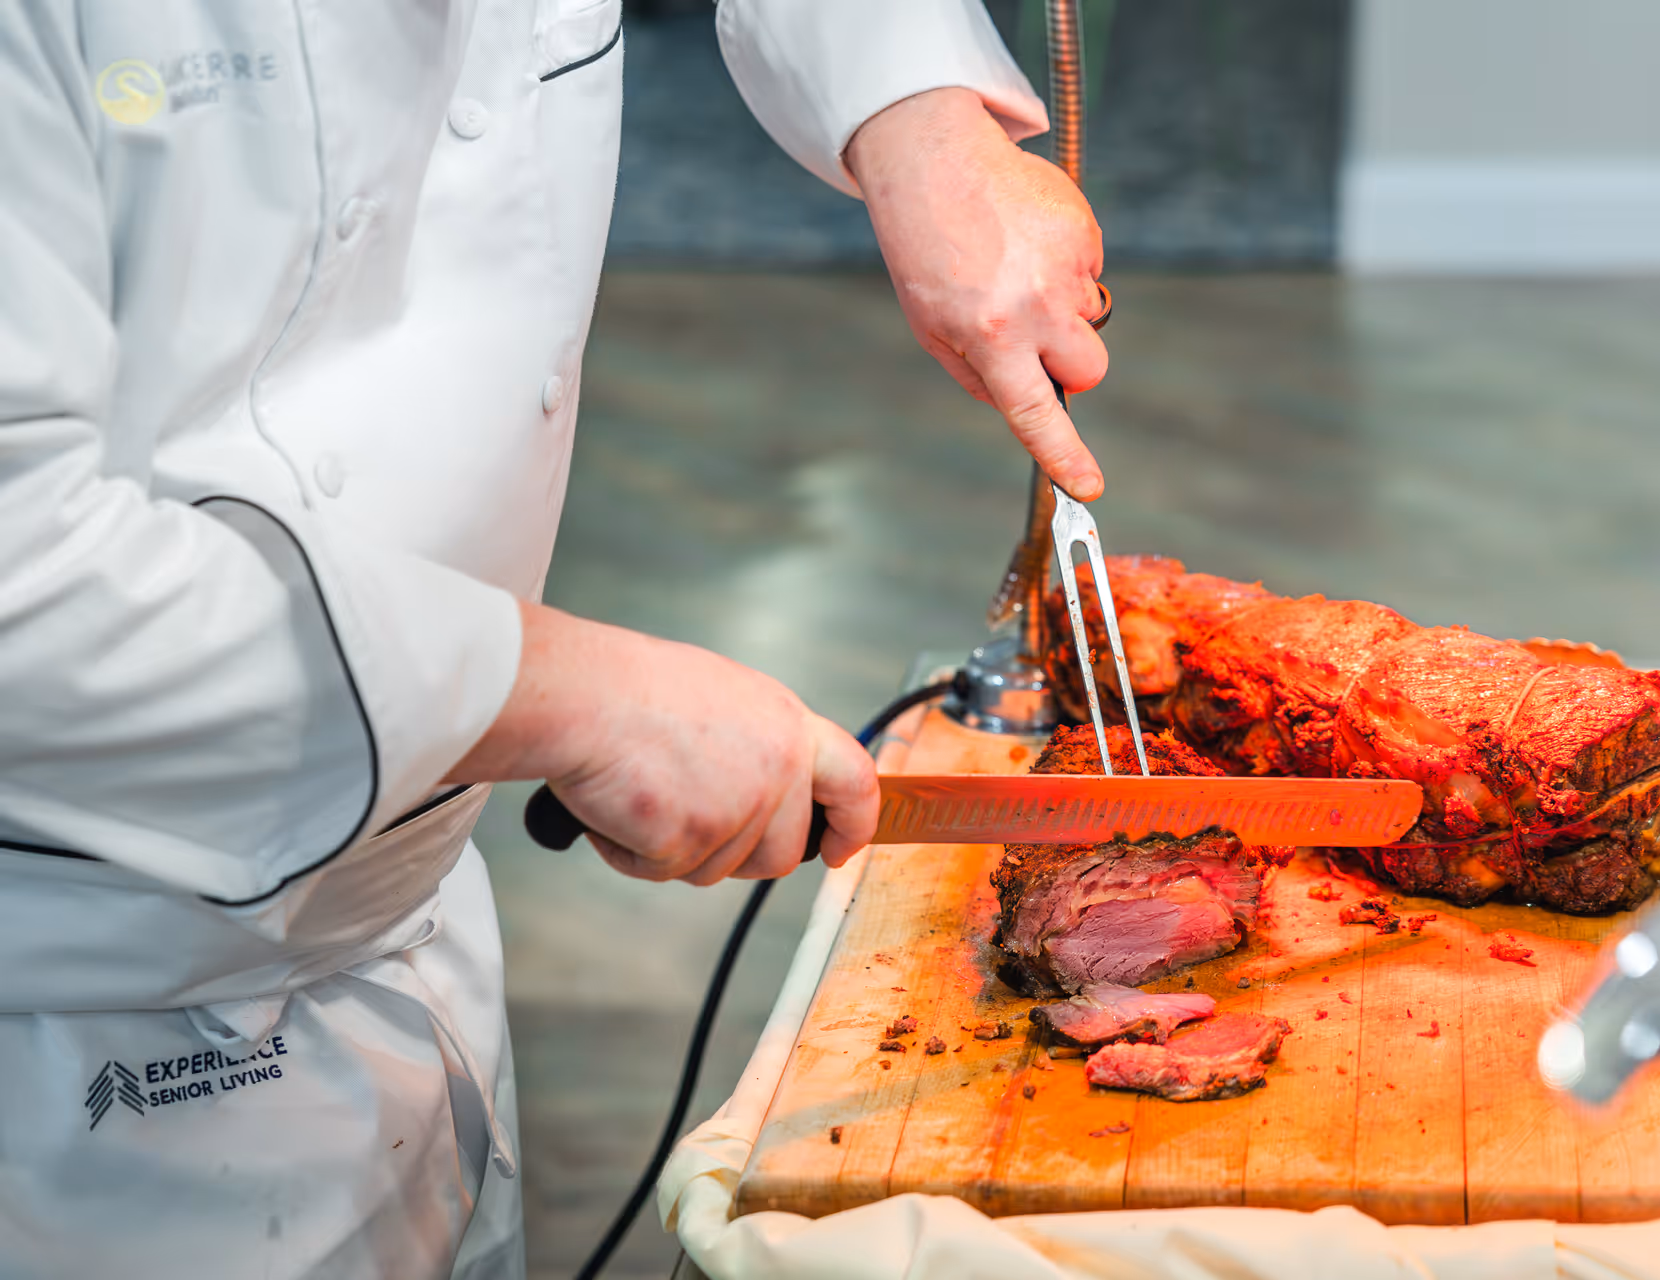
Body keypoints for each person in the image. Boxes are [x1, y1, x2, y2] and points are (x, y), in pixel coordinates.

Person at [0, 2, 1106, 1275]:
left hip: (403, 936)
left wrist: (913, 113)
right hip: (64, 1052)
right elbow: (31, 575)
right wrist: (571, 692)